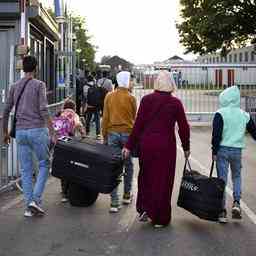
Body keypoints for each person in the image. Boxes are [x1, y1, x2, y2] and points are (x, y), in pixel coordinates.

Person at [122, 70, 190, 228]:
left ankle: (145, 208)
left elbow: (138, 125)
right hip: (166, 147)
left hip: (147, 145)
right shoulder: (176, 103)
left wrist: (128, 146)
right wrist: (186, 147)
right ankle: (160, 217)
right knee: (163, 180)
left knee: (146, 176)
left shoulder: (146, 100)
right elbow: (183, 128)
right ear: (171, 84)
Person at [2, 55, 55, 217]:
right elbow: (43, 109)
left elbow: (6, 111)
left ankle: (28, 207)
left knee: (25, 170)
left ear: (23, 68)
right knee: (44, 164)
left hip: (20, 132)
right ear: (36, 68)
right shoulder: (39, 85)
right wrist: (52, 131)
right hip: (37, 130)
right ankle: (35, 200)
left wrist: (5, 132)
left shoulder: (14, 86)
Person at [211, 85, 256, 224]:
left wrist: (214, 150)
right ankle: (236, 203)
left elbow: (216, 135)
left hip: (222, 150)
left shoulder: (220, 113)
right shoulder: (244, 115)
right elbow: (254, 132)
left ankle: (222, 211)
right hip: (237, 151)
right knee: (237, 176)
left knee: (222, 180)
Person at [102, 71, 137, 213]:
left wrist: (104, 135)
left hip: (112, 134)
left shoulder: (109, 96)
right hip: (128, 135)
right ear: (127, 81)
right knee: (128, 164)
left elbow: (105, 118)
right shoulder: (131, 98)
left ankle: (114, 202)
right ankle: (127, 194)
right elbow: (135, 118)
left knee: (113, 167)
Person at [53, 98, 86, 202]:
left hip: (59, 144)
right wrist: (83, 134)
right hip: (70, 144)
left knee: (63, 166)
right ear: (74, 108)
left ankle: (63, 192)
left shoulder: (59, 114)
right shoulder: (74, 115)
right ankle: (68, 191)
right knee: (71, 166)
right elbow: (78, 125)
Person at [84, 75, 101, 139]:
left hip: (89, 105)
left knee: (88, 119)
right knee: (97, 120)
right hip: (96, 106)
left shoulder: (85, 86)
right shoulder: (97, 85)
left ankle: (87, 133)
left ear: (87, 79)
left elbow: (85, 96)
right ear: (93, 79)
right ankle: (98, 134)